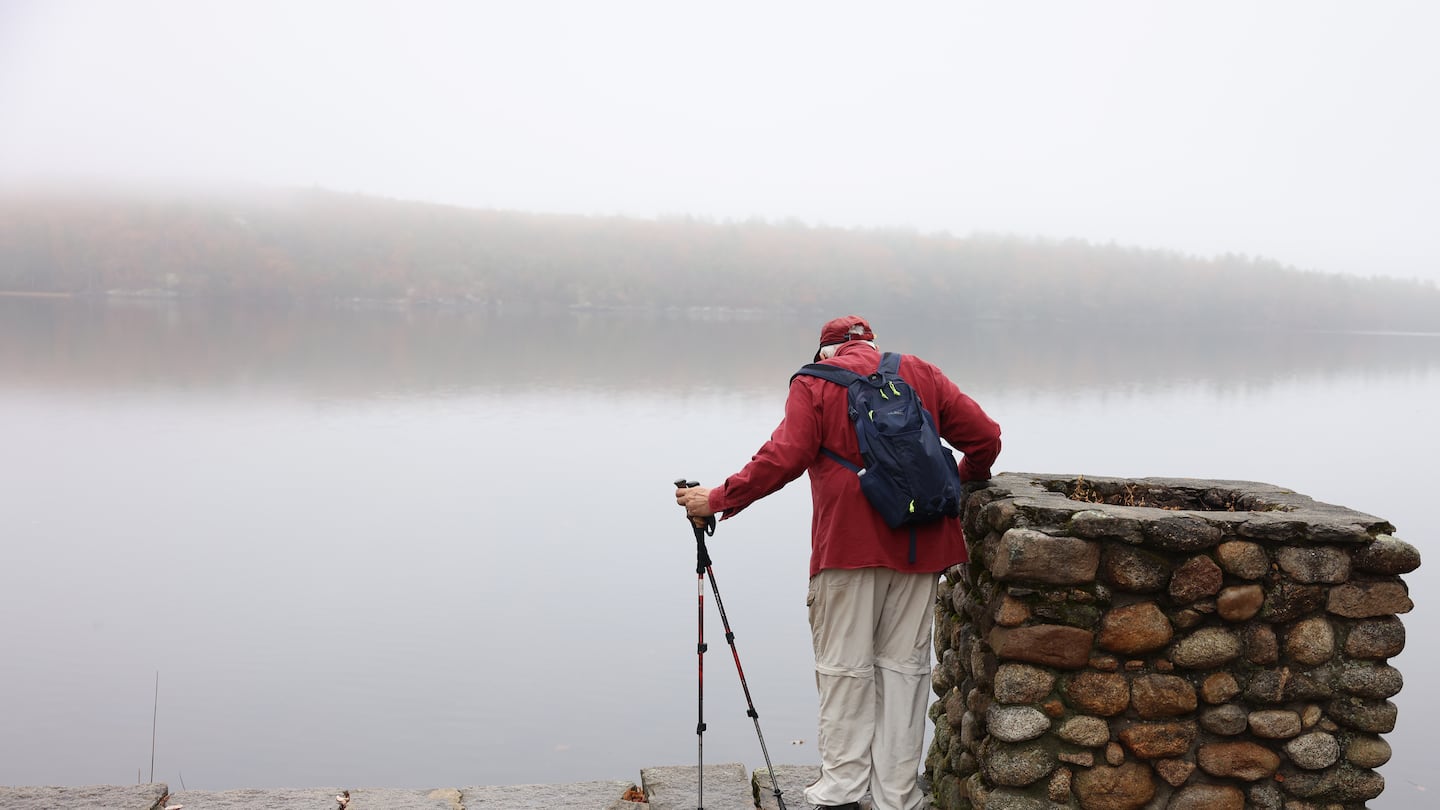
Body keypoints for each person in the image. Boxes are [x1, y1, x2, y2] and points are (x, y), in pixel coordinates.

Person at [674, 315, 1001, 810]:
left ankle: (842, 792)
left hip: (847, 548)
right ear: (873, 345)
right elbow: (985, 438)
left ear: (825, 351)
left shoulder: (814, 382)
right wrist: (959, 481)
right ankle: (897, 795)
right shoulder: (920, 372)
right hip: (922, 546)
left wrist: (717, 498)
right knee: (904, 670)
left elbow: (782, 459)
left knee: (844, 669)